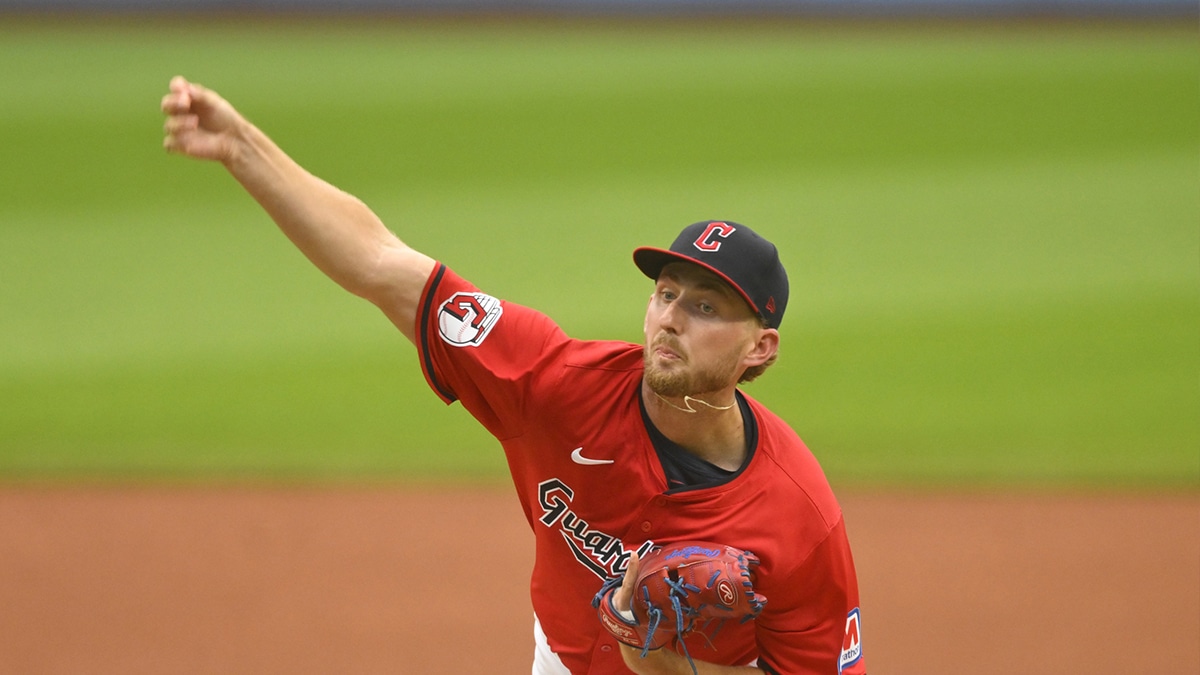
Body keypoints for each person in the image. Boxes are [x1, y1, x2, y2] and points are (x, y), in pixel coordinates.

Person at [161, 76, 866, 675]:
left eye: (706, 306)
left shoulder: (799, 518)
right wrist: (242, 148)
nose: (672, 317)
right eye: (667, 293)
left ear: (760, 349)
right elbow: (383, 265)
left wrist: (663, 661)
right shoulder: (555, 382)